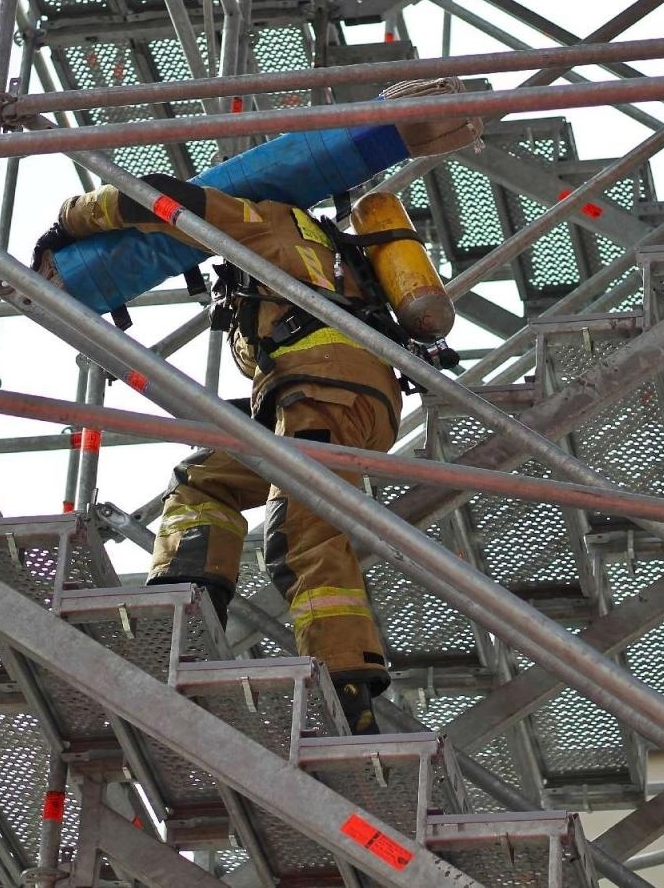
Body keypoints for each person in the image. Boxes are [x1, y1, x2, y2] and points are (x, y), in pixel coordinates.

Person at [30, 78, 482, 733]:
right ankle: (185, 606)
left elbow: (167, 202)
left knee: (302, 532)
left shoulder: (268, 221)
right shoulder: (335, 249)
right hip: (329, 393)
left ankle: (347, 697)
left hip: (320, 386)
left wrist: (72, 219)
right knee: (203, 480)